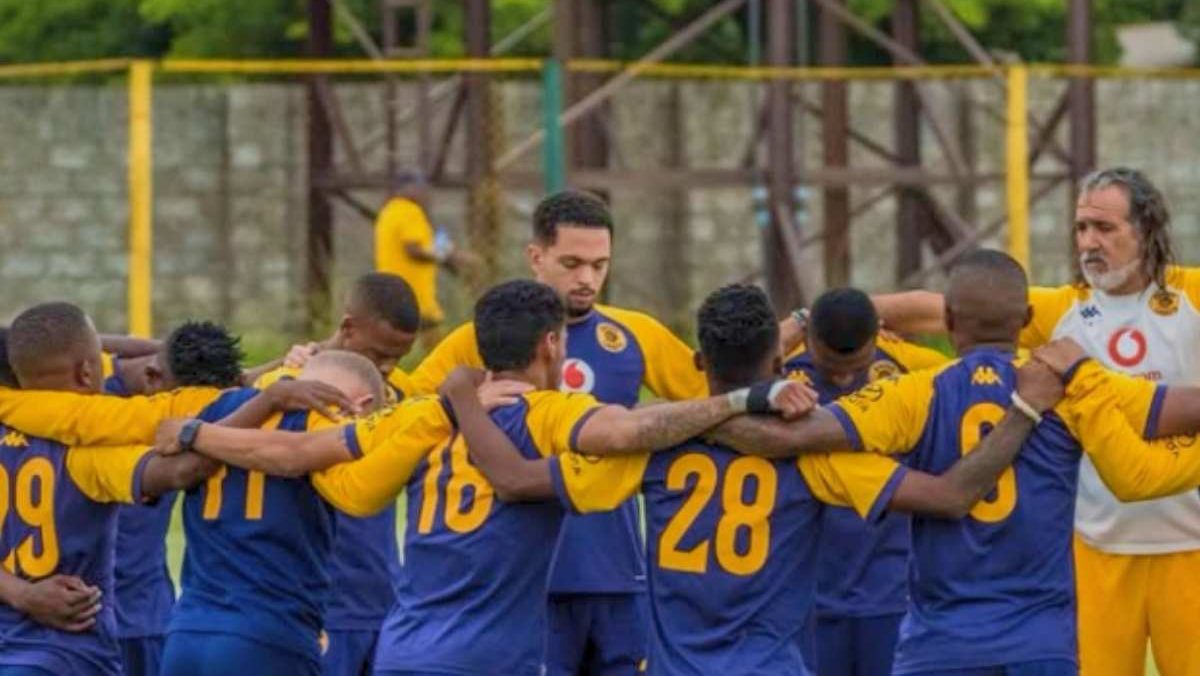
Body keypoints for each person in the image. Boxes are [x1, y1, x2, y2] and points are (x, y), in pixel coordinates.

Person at [159, 279, 811, 675]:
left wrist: (198, 434)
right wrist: (737, 402)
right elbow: (624, 433)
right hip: (488, 659)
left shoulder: (426, 414)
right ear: (553, 345)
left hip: (403, 650)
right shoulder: (553, 411)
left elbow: (319, 471)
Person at [441, 283, 1063, 675]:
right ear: (777, 363)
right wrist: (1025, 410)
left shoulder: (647, 451)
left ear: (699, 363)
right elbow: (950, 496)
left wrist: (464, 399)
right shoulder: (812, 455)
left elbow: (519, 480)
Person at [706, 250, 1200, 675]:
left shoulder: (912, 394)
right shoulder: (1073, 386)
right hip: (1039, 642)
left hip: (941, 644)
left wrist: (695, 415)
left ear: (947, 321)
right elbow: (1180, 409)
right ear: (1028, 320)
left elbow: (790, 436)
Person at [872, 168, 1200, 675]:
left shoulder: (1191, 297)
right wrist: (825, 319)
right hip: (1096, 550)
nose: (1089, 242)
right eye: (1080, 228)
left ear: (1147, 228)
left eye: (1104, 229)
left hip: (1192, 546)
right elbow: (935, 309)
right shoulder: (1061, 309)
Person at [408, 191, 718, 675]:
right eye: (572, 263)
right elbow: (401, 411)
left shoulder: (635, 334)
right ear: (536, 256)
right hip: (527, 584)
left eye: (599, 265)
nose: (587, 279)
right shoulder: (480, 338)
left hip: (617, 574)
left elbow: (712, 396)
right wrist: (454, 405)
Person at [0, 303, 257, 676]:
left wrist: (20, 593)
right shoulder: (90, 452)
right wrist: (265, 401)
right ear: (88, 371)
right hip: (67, 653)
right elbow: (187, 470)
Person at [784, 288, 948, 676]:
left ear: (880, 334)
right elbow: (720, 373)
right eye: (829, 365)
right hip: (805, 594)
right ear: (808, 340)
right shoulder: (779, 373)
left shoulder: (910, 367)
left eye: (855, 365)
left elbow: (975, 350)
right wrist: (798, 320)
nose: (842, 377)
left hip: (893, 590)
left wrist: (884, 309)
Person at [105, 321, 244, 676]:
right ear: (153, 377)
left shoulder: (192, 391)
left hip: (149, 617)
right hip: (75, 623)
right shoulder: (80, 403)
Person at [252, 272, 420, 399]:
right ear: (348, 328)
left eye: (398, 358)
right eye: (379, 355)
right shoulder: (293, 384)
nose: (388, 368)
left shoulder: (401, 387)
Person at [374, 177, 472, 346]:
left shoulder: (388, 212)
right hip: (415, 293)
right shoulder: (410, 211)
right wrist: (451, 257)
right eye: (422, 189)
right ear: (409, 188)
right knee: (438, 346)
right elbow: (414, 250)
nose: (426, 195)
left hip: (390, 291)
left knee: (396, 343)